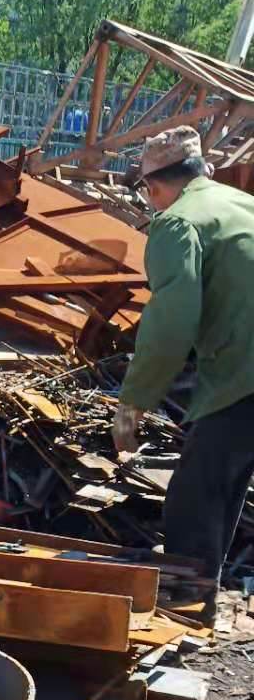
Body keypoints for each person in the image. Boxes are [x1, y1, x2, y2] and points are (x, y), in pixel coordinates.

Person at [113, 126, 254, 608]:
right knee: (224, 482)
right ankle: (202, 596)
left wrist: (131, 407)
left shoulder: (178, 223)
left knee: (193, 498)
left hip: (243, 374)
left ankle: (185, 610)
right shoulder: (243, 205)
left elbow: (169, 327)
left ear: (152, 188)